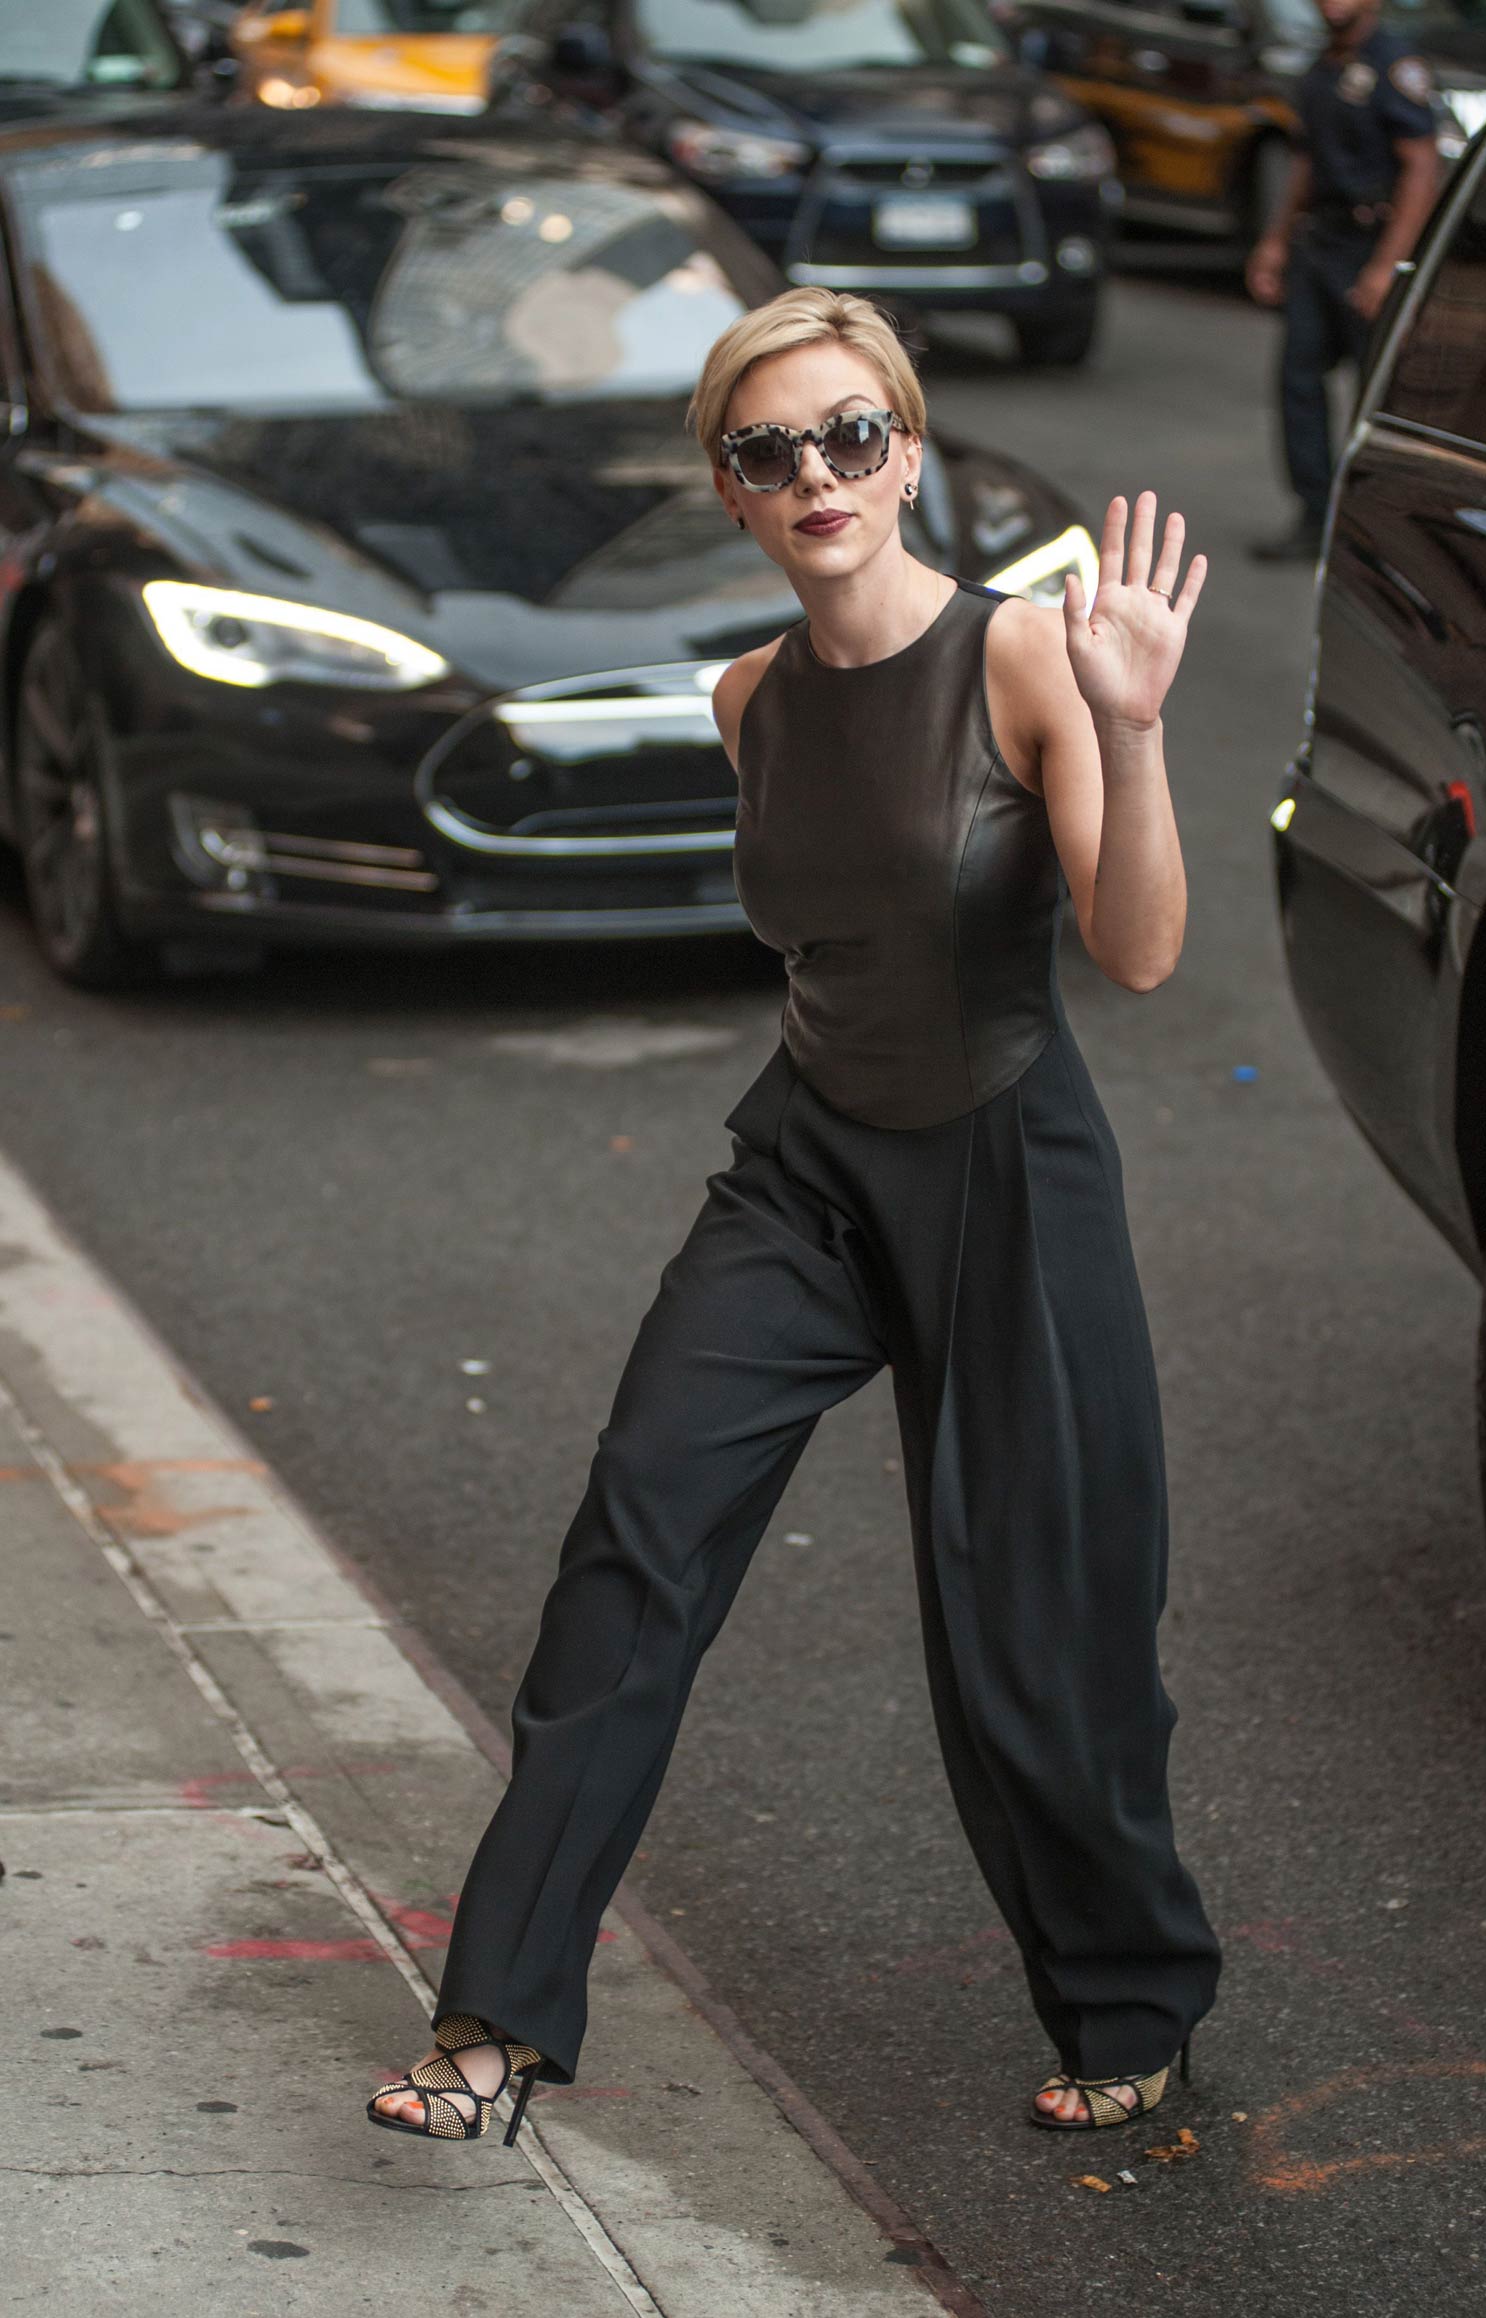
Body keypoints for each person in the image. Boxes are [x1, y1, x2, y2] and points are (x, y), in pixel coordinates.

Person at [364, 285, 1223, 2148]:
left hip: (1009, 1170)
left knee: (1034, 1633)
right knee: (637, 1537)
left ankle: (1133, 2001)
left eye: (851, 435)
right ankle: (498, 2020)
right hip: (815, 1164)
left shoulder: (1021, 660)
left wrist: (1134, 730)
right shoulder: (744, 696)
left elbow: (1139, 956)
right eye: (770, 451)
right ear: (732, 493)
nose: (817, 473)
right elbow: (829, 939)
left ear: (906, 454)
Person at [1246, 0, 1439, 561]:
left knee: (1372, 398)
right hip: (1319, 243)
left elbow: (1421, 169)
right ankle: (1314, 514)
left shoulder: (1395, 67)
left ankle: (1368, 533)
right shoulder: (1319, 69)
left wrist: (1385, 266)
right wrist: (1276, 239)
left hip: (1369, 246)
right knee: (1298, 381)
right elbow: (1306, 162)